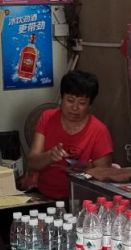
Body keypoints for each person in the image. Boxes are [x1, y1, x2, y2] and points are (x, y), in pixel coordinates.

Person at [27, 71, 113, 199]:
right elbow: (32, 162)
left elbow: (105, 175)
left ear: (90, 104)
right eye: (70, 100)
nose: (75, 108)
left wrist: (87, 169)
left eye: (82, 103)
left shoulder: (99, 130)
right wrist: (50, 156)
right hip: (45, 195)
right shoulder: (47, 118)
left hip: (82, 199)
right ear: (62, 98)